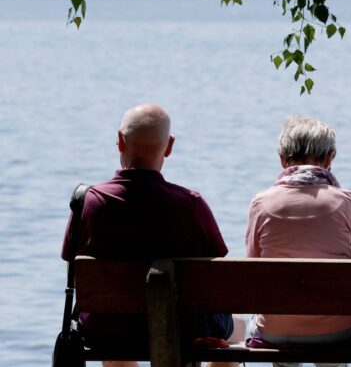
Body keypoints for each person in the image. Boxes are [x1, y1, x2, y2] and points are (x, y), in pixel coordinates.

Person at [61, 104, 237, 367]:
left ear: (120, 140)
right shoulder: (191, 204)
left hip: (107, 333)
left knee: (112, 322)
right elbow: (218, 273)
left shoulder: (88, 202)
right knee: (232, 331)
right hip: (181, 331)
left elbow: (71, 262)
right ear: (169, 146)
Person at [245, 116, 351, 365]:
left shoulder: (261, 203)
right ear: (330, 158)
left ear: (282, 158)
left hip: (277, 332)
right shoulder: (347, 202)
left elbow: (253, 269)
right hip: (340, 332)